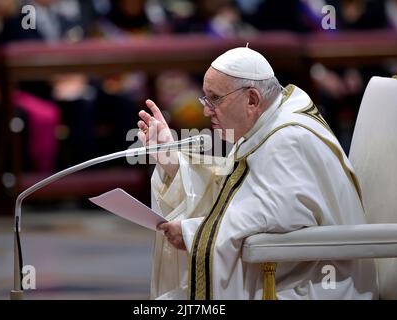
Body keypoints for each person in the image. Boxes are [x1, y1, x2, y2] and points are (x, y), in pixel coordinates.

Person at [136, 47, 378, 299]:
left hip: (313, 282)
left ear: (252, 99)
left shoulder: (289, 139)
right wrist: (170, 159)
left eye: (215, 98)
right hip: (284, 268)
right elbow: (232, 185)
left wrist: (192, 233)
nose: (207, 110)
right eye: (204, 99)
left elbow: (271, 214)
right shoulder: (269, 121)